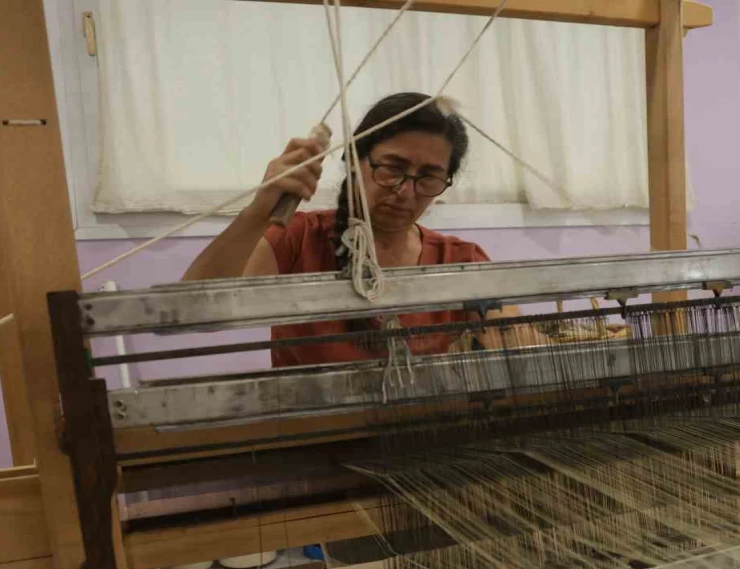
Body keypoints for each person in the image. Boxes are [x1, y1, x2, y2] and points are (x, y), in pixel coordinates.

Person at [184, 92, 539, 367]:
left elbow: (520, 345)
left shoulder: (460, 261)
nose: (405, 191)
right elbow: (194, 312)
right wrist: (258, 211)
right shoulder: (299, 239)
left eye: (428, 178)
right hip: (314, 432)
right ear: (355, 161)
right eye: (392, 168)